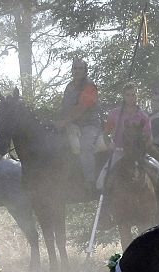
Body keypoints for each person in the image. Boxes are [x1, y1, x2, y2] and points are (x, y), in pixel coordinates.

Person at [96, 83, 159, 193]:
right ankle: (105, 206)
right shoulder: (114, 114)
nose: (131, 98)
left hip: (139, 154)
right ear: (123, 96)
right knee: (101, 181)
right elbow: (106, 134)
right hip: (119, 152)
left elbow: (149, 138)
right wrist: (109, 144)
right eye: (128, 95)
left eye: (133, 95)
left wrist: (141, 150)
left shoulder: (144, 116)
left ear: (137, 96)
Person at [55, 57, 101, 191]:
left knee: (85, 146)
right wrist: (58, 122)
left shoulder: (90, 87)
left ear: (85, 70)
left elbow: (82, 108)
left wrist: (65, 122)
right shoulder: (69, 87)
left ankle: (90, 182)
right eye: (75, 68)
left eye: (80, 68)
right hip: (71, 125)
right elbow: (64, 108)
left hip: (89, 125)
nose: (77, 71)